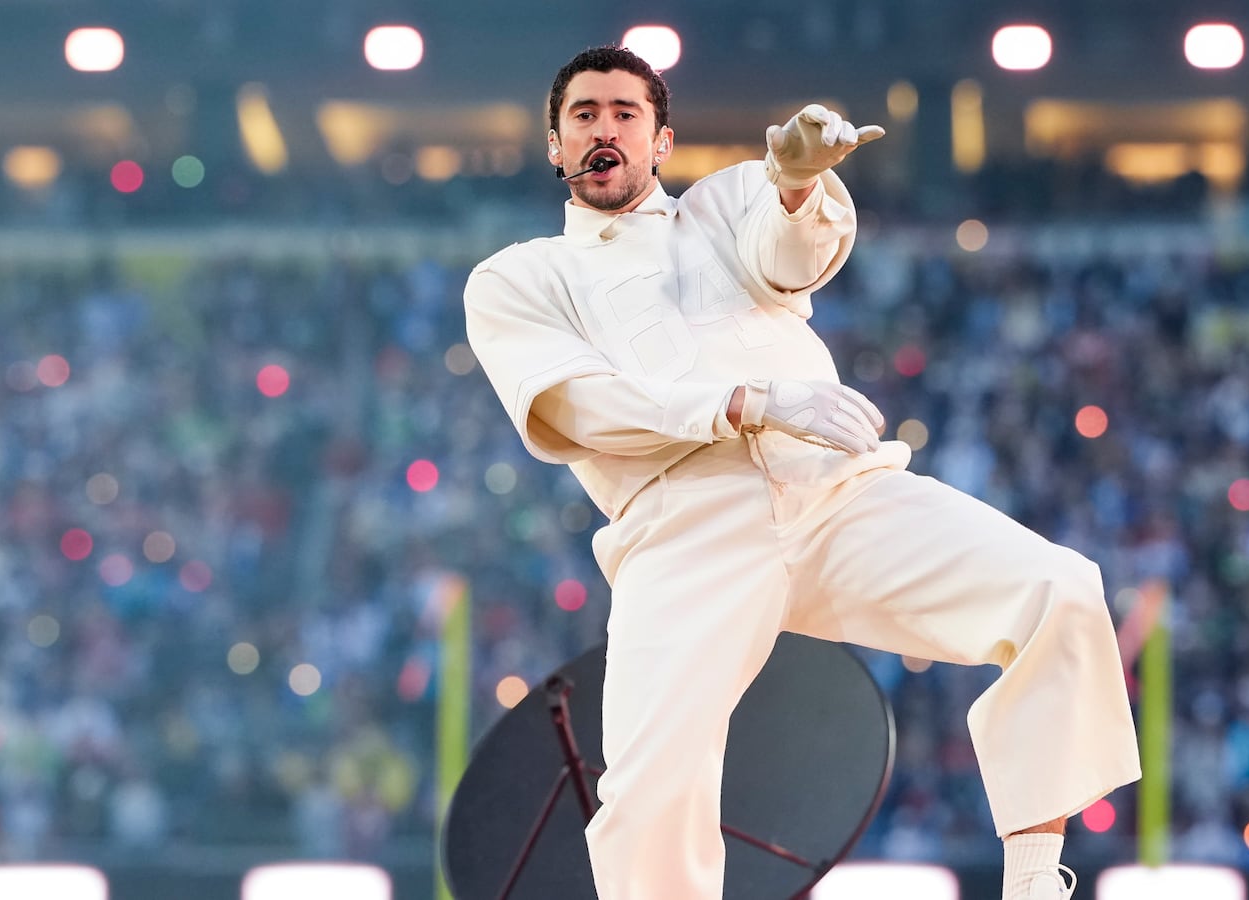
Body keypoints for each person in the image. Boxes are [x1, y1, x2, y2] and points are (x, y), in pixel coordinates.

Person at [464, 45, 1141, 900]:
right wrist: (744, 402)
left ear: (661, 141)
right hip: (686, 526)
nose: (605, 130)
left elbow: (790, 256)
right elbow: (577, 407)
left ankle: (1038, 880)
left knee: (1061, 589)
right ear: (556, 146)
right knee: (646, 793)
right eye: (585, 116)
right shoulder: (520, 276)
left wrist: (793, 185)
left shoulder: (725, 202)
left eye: (625, 114)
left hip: (834, 490)